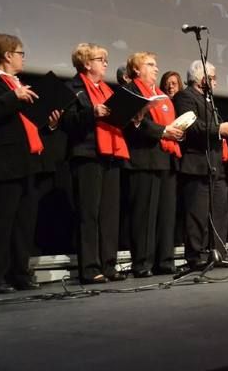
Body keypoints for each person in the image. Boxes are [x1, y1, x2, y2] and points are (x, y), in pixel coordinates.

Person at [0, 33, 61, 294]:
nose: (23, 58)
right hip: (0, 166)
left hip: (26, 164)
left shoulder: (19, 84)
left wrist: (50, 124)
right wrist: (13, 97)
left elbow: (26, 125)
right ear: (7, 55)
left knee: (23, 225)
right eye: (21, 53)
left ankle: (19, 273)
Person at [60, 43, 129, 284]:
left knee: (109, 214)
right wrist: (93, 113)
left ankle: (108, 265)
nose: (106, 64)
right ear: (87, 63)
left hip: (111, 154)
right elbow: (66, 123)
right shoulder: (72, 88)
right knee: (89, 214)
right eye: (101, 59)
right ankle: (90, 268)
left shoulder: (108, 90)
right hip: (87, 154)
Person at [173, 60, 228, 269]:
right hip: (196, 163)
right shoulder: (185, 96)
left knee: (220, 210)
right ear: (203, 79)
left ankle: (218, 253)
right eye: (213, 78)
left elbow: (213, 130)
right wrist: (220, 129)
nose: (216, 83)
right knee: (197, 213)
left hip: (215, 164)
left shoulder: (209, 100)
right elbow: (191, 126)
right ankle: (195, 256)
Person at [123, 52, 184, 277]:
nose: (155, 68)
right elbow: (134, 124)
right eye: (150, 64)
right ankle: (143, 263)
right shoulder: (131, 90)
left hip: (166, 158)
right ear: (137, 69)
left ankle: (165, 260)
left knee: (166, 214)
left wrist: (177, 131)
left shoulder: (160, 94)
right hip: (144, 158)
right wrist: (164, 132)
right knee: (145, 215)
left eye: (156, 64)